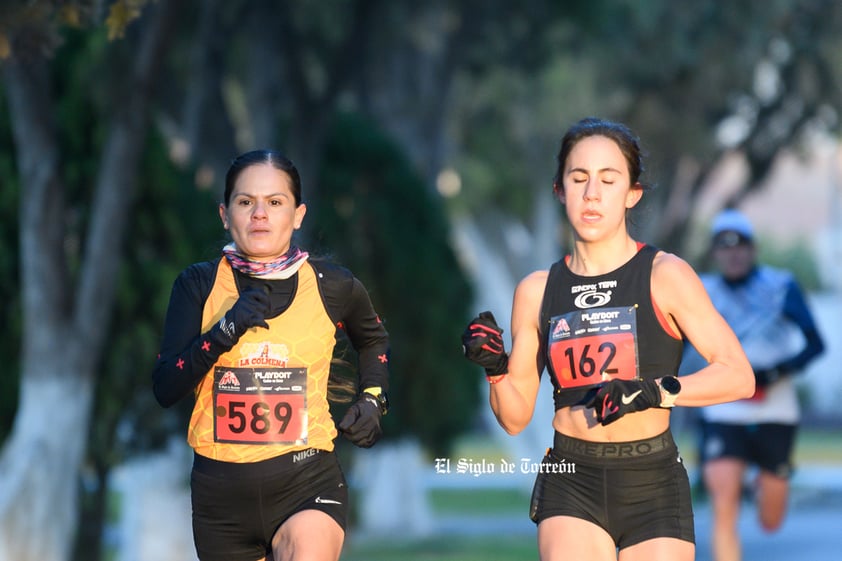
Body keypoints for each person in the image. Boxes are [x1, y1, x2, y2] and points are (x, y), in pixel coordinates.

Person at [462, 117, 755, 561]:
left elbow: (738, 376)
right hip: (570, 478)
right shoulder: (537, 290)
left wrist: (653, 392)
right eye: (578, 179)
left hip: (652, 482)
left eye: (608, 179)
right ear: (560, 190)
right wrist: (494, 368)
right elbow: (516, 417)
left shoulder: (665, 275)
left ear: (631, 193)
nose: (592, 194)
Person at [152, 149, 390, 561]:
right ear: (225, 214)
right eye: (246, 202)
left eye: (274, 202)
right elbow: (166, 385)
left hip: (307, 481)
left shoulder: (334, 286)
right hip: (220, 500)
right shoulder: (198, 285)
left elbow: (374, 340)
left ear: (298, 214)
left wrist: (373, 399)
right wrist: (226, 329)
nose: (259, 214)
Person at [683, 209, 825, 561]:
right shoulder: (701, 290)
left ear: (753, 248)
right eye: (724, 245)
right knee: (723, 504)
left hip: (774, 408)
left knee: (770, 520)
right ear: (715, 251)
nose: (733, 253)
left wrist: (775, 372)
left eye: (741, 244)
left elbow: (816, 344)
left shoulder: (781, 285)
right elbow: (678, 347)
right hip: (723, 409)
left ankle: (762, 485)